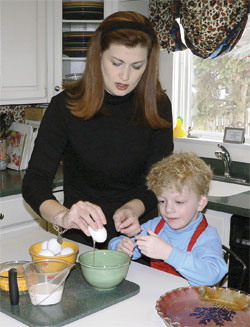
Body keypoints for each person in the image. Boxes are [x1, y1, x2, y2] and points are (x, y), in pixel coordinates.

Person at [22, 11, 173, 249]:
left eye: (137, 66)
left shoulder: (159, 106)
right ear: (98, 56)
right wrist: (64, 216)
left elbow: (160, 180)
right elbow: (34, 182)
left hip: (139, 240)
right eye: (116, 63)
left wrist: (135, 207)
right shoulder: (65, 107)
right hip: (83, 240)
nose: (125, 75)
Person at [109, 152, 228, 286]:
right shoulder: (155, 226)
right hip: (159, 294)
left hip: (190, 303)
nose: (168, 210)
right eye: (162, 201)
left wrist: (168, 253)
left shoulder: (206, 237)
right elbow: (114, 244)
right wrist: (121, 247)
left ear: (200, 203)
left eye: (179, 202)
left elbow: (212, 275)